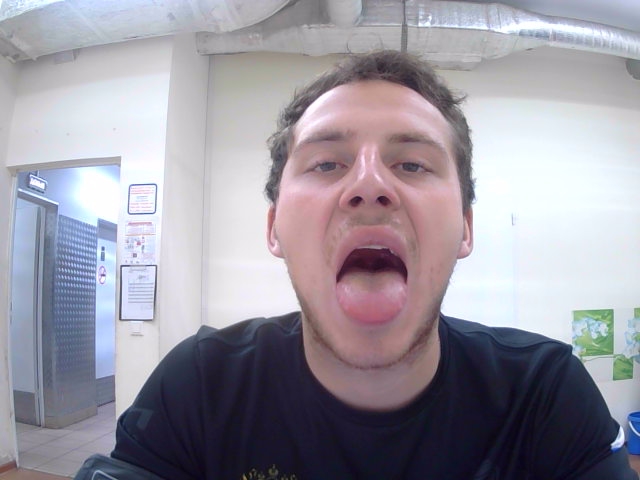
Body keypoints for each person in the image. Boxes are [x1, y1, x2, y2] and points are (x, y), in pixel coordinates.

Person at [99, 51, 637, 479]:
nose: (370, 185)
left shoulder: (544, 395)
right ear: (274, 228)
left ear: (465, 228)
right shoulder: (201, 386)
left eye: (413, 163)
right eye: (326, 163)